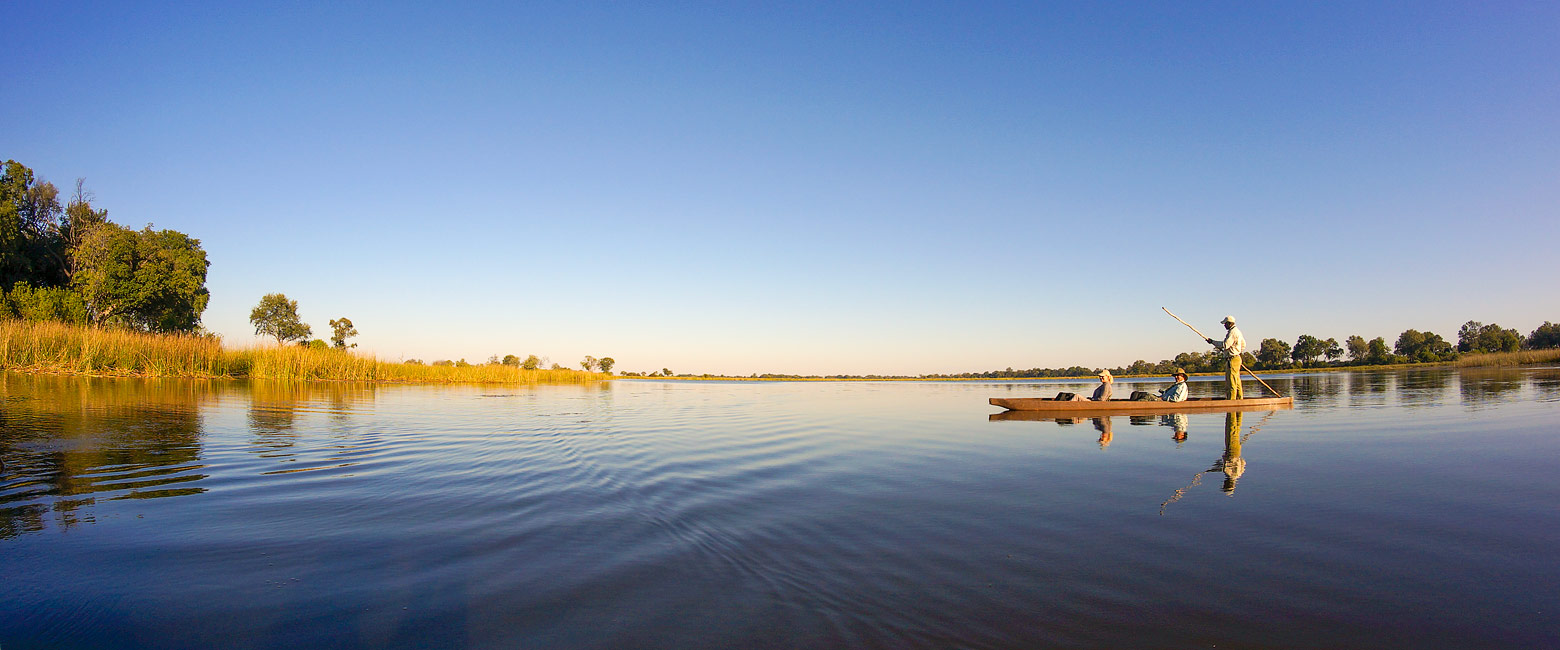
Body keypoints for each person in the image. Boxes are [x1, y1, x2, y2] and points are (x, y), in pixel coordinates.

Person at [1207, 315, 1246, 399]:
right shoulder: (1238, 331)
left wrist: (1212, 342)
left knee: (1231, 381)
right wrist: (1236, 351)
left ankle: (1231, 400)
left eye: (1225, 324)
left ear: (1229, 323)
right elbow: (1243, 345)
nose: (1224, 325)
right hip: (1236, 358)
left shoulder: (1232, 333)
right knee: (1237, 381)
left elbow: (1225, 345)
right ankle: (1239, 399)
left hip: (1232, 359)